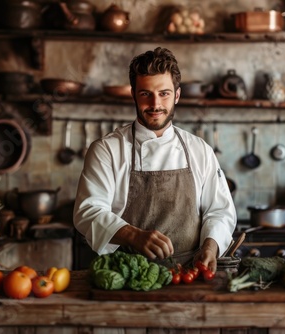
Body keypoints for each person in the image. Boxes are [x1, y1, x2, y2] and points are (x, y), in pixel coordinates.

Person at [73, 47, 236, 271]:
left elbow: (219, 211)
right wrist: (133, 235)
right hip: (126, 275)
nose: (155, 104)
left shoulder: (200, 151)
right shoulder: (107, 150)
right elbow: (87, 212)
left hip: (189, 275)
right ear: (134, 94)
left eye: (164, 93)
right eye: (145, 93)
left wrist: (210, 246)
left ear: (177, 95)